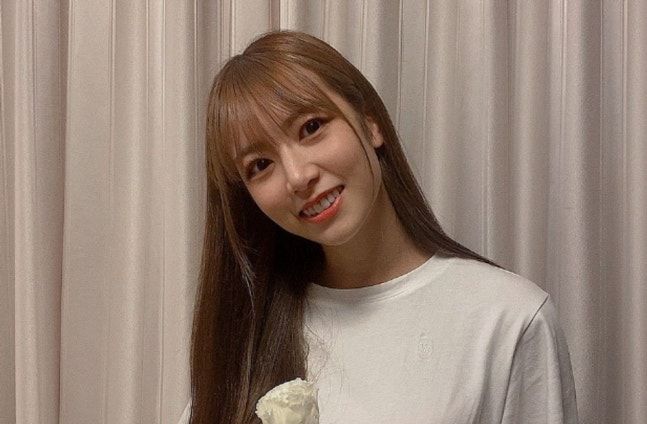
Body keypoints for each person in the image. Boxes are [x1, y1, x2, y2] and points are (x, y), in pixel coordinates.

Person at [182, 30, 578, 424]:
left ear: (370, 122)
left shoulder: (509, 319)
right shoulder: (249, 332)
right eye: (260, 165)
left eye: (311, 127)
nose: (298, 177)